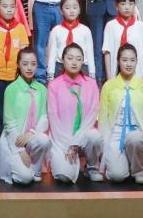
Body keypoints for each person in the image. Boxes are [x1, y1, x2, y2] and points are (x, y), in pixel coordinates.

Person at [99, 43, 143, 183]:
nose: (129, 64)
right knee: (117, 176)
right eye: (124, 60)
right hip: (116, 132)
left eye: (132, 60)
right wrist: (102, 142)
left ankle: (138, 170)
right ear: (118, 61)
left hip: (137, 131)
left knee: (135, 138)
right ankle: (125, 163)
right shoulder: (109, 86)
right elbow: (103, 117)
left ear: (137, 62)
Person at [46, 44, 103, 183]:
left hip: (83, 136)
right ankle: (68, 162)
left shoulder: (91, 84)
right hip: (62, 139)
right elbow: (54, 118)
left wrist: (76, 142)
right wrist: (68, 143)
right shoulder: (54, 85)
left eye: (78, 59)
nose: (74, 62)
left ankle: (91, 167)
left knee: (94, 136)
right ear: (63, 60)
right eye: (70, 58)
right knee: (63, 177)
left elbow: (91, 116)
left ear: (83, 61)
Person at [0, 47, 49, 184]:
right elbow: (9, 124)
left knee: (44, 140)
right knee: (25, 178)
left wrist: (32, 134)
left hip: (31, 136)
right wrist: (20, 151)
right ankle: (22, 167)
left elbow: (44, 118)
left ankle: (35, 169)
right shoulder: (11, 89)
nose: (29, 68)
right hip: (14, 140)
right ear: (18, 64)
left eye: (33, 64)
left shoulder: (42, 89)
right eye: (25, 64)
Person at [0, 0, 29, 155]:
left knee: (15, 115)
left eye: (12, 6)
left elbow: (25, 56)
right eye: (5, 6)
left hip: (15, 79)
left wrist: (23, 80)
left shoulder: (21, 28)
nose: (9, 10)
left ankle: (15, 147)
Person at [45, 0, 94, 81]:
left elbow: (90, 54)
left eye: (75, 7)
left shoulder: (85, 30)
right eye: (67, 8)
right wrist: (50, 75)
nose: (71, 11)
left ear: (79, 10)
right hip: (60, 67)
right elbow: (52, 54)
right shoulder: (56, 30)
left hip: (82, 67)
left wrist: (92, 74)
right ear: (61, 11)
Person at [103, 0, 143, 81]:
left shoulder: (141, 26)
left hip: (137, 74)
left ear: (135, 5)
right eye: (123, 4)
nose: (127, 7)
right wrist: (109, 78)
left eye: (131, 4)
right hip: (116, 74)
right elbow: (107, 52)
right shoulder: (110, 25)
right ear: (116, 6)